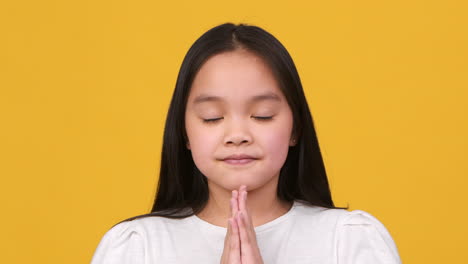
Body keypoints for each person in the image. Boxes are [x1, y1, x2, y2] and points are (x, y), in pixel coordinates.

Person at [91, 22, 402, 264]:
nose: (237, 135)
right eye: (212, 117)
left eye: (263, 116)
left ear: (296, 128)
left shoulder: (349, 241)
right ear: (184, 132)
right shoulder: (136, 247)